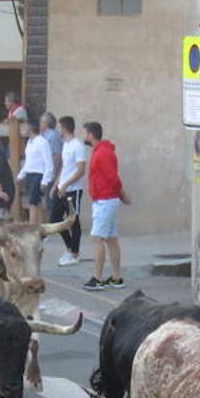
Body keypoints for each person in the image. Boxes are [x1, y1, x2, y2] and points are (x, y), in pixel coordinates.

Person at [83, 121, 129, 291]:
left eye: (85, 133)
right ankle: (116, 277)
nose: (84, 137)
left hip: (105, 200)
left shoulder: (102, 153)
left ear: (91, 135)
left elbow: (113, 178)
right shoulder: (100, 151)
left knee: (97, 238)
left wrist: (121, 194)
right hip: (104, 199)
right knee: (110, 239)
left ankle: (98, 278)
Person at [52, 115, 86, 267]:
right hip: (62, 188)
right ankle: (69, 248)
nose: (58, 130)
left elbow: (80, 170)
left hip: (73, 190)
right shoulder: (66, 145)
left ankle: (75, 253)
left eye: (59, 127)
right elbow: (65, 168)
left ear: (64, 128)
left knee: (73, 221)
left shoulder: (77, 146)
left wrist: (66, 185)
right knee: (55, 219)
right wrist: (57, 183)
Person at [16, 118, 54, 225]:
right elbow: (28, 162)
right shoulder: (29, 142)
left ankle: (32, 227)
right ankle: (40, 227)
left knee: (32, 203)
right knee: (37, 203)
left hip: (38, 175)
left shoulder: (42, 142)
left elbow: (49, 163)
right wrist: (21, 175)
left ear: (30, 128)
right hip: (29, 175)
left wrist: (45, 181)